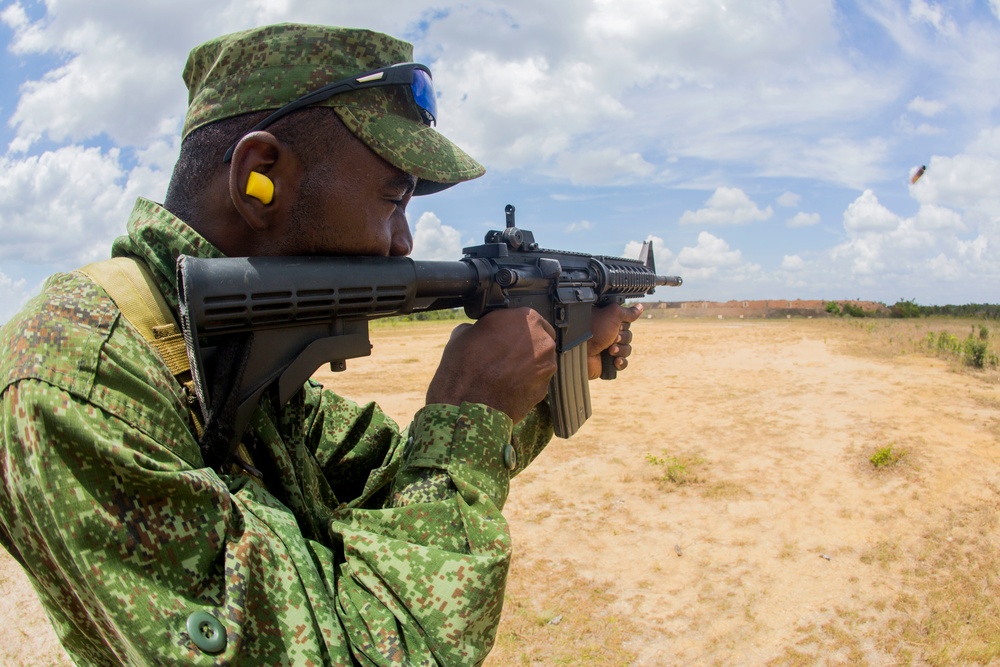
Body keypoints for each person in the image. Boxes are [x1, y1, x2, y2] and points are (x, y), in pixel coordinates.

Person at [0, 23, 642, 666]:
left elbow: (397, 477)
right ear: (261, 177)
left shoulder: (211, 351)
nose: (403, 243)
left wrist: (548, 372)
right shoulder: (78, 381)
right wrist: (470, 407)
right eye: (394, 199)